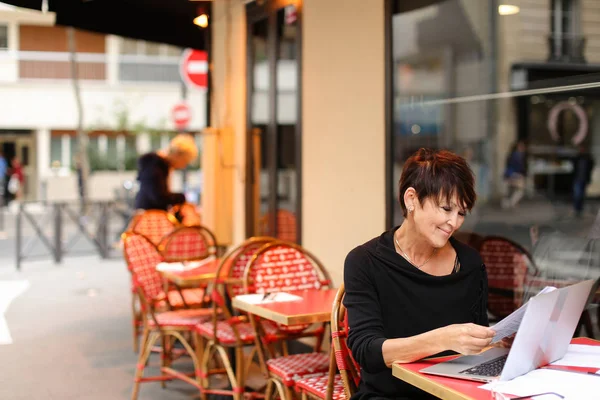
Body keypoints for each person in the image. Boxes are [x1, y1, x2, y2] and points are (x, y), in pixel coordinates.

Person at [344, 148, 493, 400]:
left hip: (455, 394)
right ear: (411, 199)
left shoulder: (469, 262)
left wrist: (497, 343)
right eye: (446, 209)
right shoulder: (365, 262)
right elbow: (367, 351)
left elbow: (476, 342)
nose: (454, 223)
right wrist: (443, 339)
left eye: (461, 213)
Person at [134, 133, 198, 217]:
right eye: (185, 161)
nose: (183, 166)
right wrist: (181, 198)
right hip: (151, 217)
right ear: (178, 155)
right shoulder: (155, 167)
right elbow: (159, 197)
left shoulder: (160, 166)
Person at [502, 140, 527, 209]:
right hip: (514, 175)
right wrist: (522, 174)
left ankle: (507, 203)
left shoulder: (511, 154)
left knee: (511, 190)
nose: (523, 148)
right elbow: (519, 167)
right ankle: (512, 202)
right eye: (522, 147)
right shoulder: (517, 155)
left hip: (508, 174)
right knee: (520, 190)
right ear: (518, 147)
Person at [572, 145, 595, 217]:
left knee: (581, 195)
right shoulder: (577, 158)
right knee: (577, 194)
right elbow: (573, 166)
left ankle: (580, 209)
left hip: (584, 179)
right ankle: (577, 209)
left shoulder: (588, 158)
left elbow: (591, 166)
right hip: (577, 179)